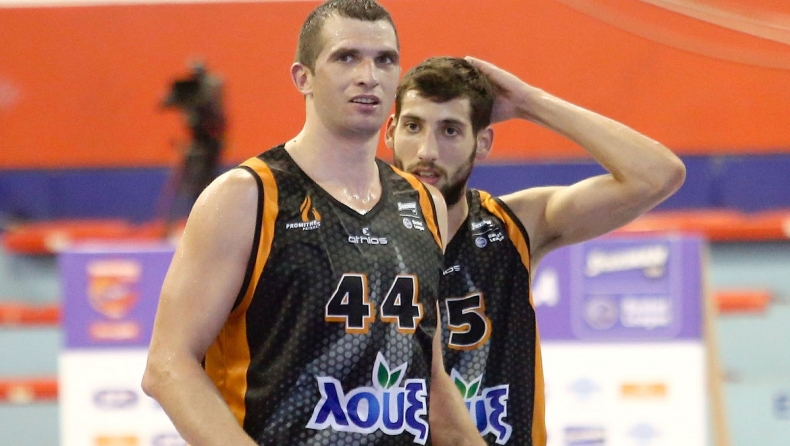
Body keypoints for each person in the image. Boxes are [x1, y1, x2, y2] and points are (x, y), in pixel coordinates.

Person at [142, 1, 483, 445]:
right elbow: (168, 366)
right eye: (347, 57)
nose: (369, 76)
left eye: (385, 60)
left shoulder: (425, 203)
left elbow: (433, 381)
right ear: (303, 77)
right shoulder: (247, 197)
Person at [385, 56, 686, 445]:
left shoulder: (516, 225)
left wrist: (529, 102)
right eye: (413, 126)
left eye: (450, 131)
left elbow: (659, 175)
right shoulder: (347, 234)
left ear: (482, 143)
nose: (427, 150)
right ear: (390, 131)